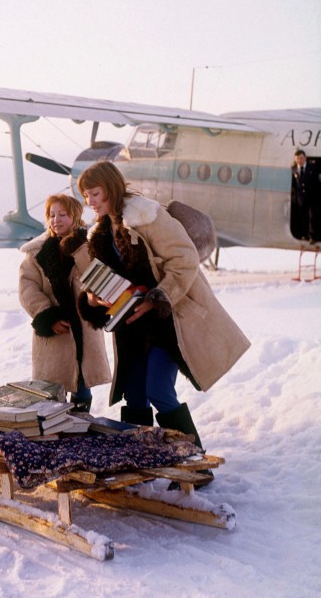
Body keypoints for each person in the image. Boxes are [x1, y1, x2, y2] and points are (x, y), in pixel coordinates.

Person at [73, 161, 250, 463]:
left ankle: (193, 461)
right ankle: (142, 460)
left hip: (169, 324)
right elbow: (103, 281)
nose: (89, 202)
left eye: (94, 194)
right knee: (134, 393)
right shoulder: (100, 233)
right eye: (86, 196)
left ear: (111, 189)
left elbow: (185, 259)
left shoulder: (148, 216)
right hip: (132, 327)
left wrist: (157, 298)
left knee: (158, 390)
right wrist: (93, 299)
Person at [18, 194, 111, 412]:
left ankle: (79, 429)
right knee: (52, 390)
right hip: (55, 333)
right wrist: (46, 315)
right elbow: (27, 288)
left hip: (83, 328)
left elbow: (98, 278)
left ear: (76, 217)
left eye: (62, 214)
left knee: (82, 383)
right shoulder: (36, 253)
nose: (56, 220)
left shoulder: (89, 247)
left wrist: (78, 249)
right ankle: (56, 434)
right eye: (51, 215)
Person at [291, 149, 320, 242]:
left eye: (301, 158)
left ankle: (313, 236)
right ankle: (305, 235)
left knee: (312, 217)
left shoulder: (313, 167)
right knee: (303, 217)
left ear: (305, 158)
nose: (300, 160)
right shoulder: (294, 169)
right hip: (301, 198)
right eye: (298, 159)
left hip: (313, 196)